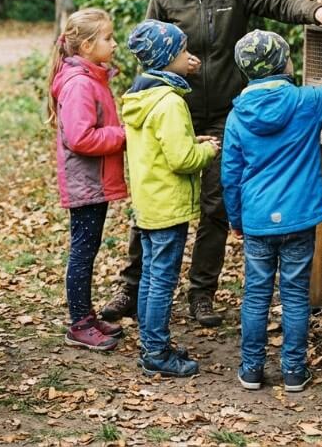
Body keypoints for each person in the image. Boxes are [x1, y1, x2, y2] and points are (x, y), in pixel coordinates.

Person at [101, 0, 322, 327]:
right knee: (155, 206)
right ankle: (131, 286)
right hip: (173, 114)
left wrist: (316, 11)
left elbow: (279, 2)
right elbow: (148, 53)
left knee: (215, 205)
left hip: (223, 117)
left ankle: (202, 294)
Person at [223, 22, 322, 392]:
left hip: (256, 220)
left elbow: (230, 175)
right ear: (284, 64)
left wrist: (236, 219)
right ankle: (293, 372)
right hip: (300, 218)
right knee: (295, 295)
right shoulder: (306, 102)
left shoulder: (238, 116)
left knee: (256, 295)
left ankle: (252, 370)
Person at [122, 20, 219, 377]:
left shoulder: (141, 96)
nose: (188, 56)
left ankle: (152, 343)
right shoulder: (169, 103)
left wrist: (193, 144)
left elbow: (162, 150)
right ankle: (156, 353)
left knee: (150, 277)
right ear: (166, 59)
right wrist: (206, 151)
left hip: (149, 202)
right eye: (181, 52)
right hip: (168, 206)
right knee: (162, 281)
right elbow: (181, 160)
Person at [47, 8, 128, 351]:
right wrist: (123, 135)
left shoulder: (93, 77)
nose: (114, 43)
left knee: (89, 247)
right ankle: (78, 323)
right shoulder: (80, 83)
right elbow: (80, 138)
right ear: (86, 46)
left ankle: (87, 314)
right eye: (108, 38)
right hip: (86, 182)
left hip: (94, 180)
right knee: (83, 251)